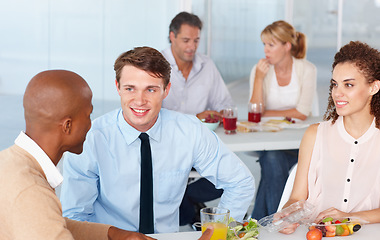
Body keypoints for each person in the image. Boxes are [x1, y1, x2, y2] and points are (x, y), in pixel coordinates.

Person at [60, 46, 255, 233]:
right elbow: (75, 215)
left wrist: (217, 232)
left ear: (166, 90)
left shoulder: (190, 131)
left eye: (151, 90)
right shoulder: (91, 138)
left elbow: (240, 182)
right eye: (130, 88)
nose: (139, 100)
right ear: (117, 87)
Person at [0, 70, 157, 240]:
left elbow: (50, 222)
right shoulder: (31, 191)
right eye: (88, 115)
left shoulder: (9, 162)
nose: (91, 125)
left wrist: (114, 234)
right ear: (67, 126)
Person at [280, 41, 380, 234]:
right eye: (335, 84)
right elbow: (297, 198)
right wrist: (287, 215)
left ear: (373, 87)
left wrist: (350, 218)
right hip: (314, 235)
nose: (337, 93)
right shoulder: (314, 134)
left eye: (348, 85)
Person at [161, 11, 234, 227]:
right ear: (172, 37)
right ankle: (188, 216)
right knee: (168, 180)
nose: (191, 46)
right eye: (185, 40)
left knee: (229, 175)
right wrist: (195, 118)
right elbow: (150, 114)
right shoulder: (156, 64)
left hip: (200, 145)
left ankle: (185, 204)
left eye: (196, 40)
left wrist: (216, 114)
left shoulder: (206, 65)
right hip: (166, 147)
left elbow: (225, 104)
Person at [249, 20, 317, 220]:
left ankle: (260, 220)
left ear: (287, 46)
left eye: (271, 45)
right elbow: (255, 113)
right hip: (270, 143)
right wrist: (259, 79)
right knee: (271, 159)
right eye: (264, 44)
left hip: (299, 143)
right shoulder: (259, 70)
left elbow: (302, 112)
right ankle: (279, 222)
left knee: (270, 163)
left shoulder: (307, 69)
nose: (265, 50)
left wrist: (267, 113)